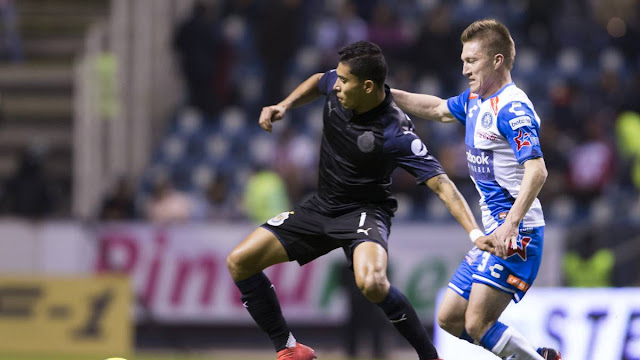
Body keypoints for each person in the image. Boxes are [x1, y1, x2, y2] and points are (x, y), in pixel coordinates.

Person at [226, 41, 497, 360]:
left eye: (343, 81)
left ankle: (429, 356)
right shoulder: (338, 86)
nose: (336, 85)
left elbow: (442, 185)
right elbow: (317, 80)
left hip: (364, 216)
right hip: (321, 206)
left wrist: (475, 232)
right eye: (337, 78)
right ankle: (289, 347)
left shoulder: (396, 132)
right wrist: (284, 105)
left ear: (368, 87)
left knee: (372, 283)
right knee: (239, 261)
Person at [391, 19, 561, 360]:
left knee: (478, 323)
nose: (465, 68)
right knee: (450, 318)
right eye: (463, 61)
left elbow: (537, 169)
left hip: (518, 234)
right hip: (495, 230)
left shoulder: (513, 108)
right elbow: (437, 109)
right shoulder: (475, 100)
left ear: (497, 60)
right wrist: (385, 96)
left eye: (472, 60)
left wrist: (511, 222)